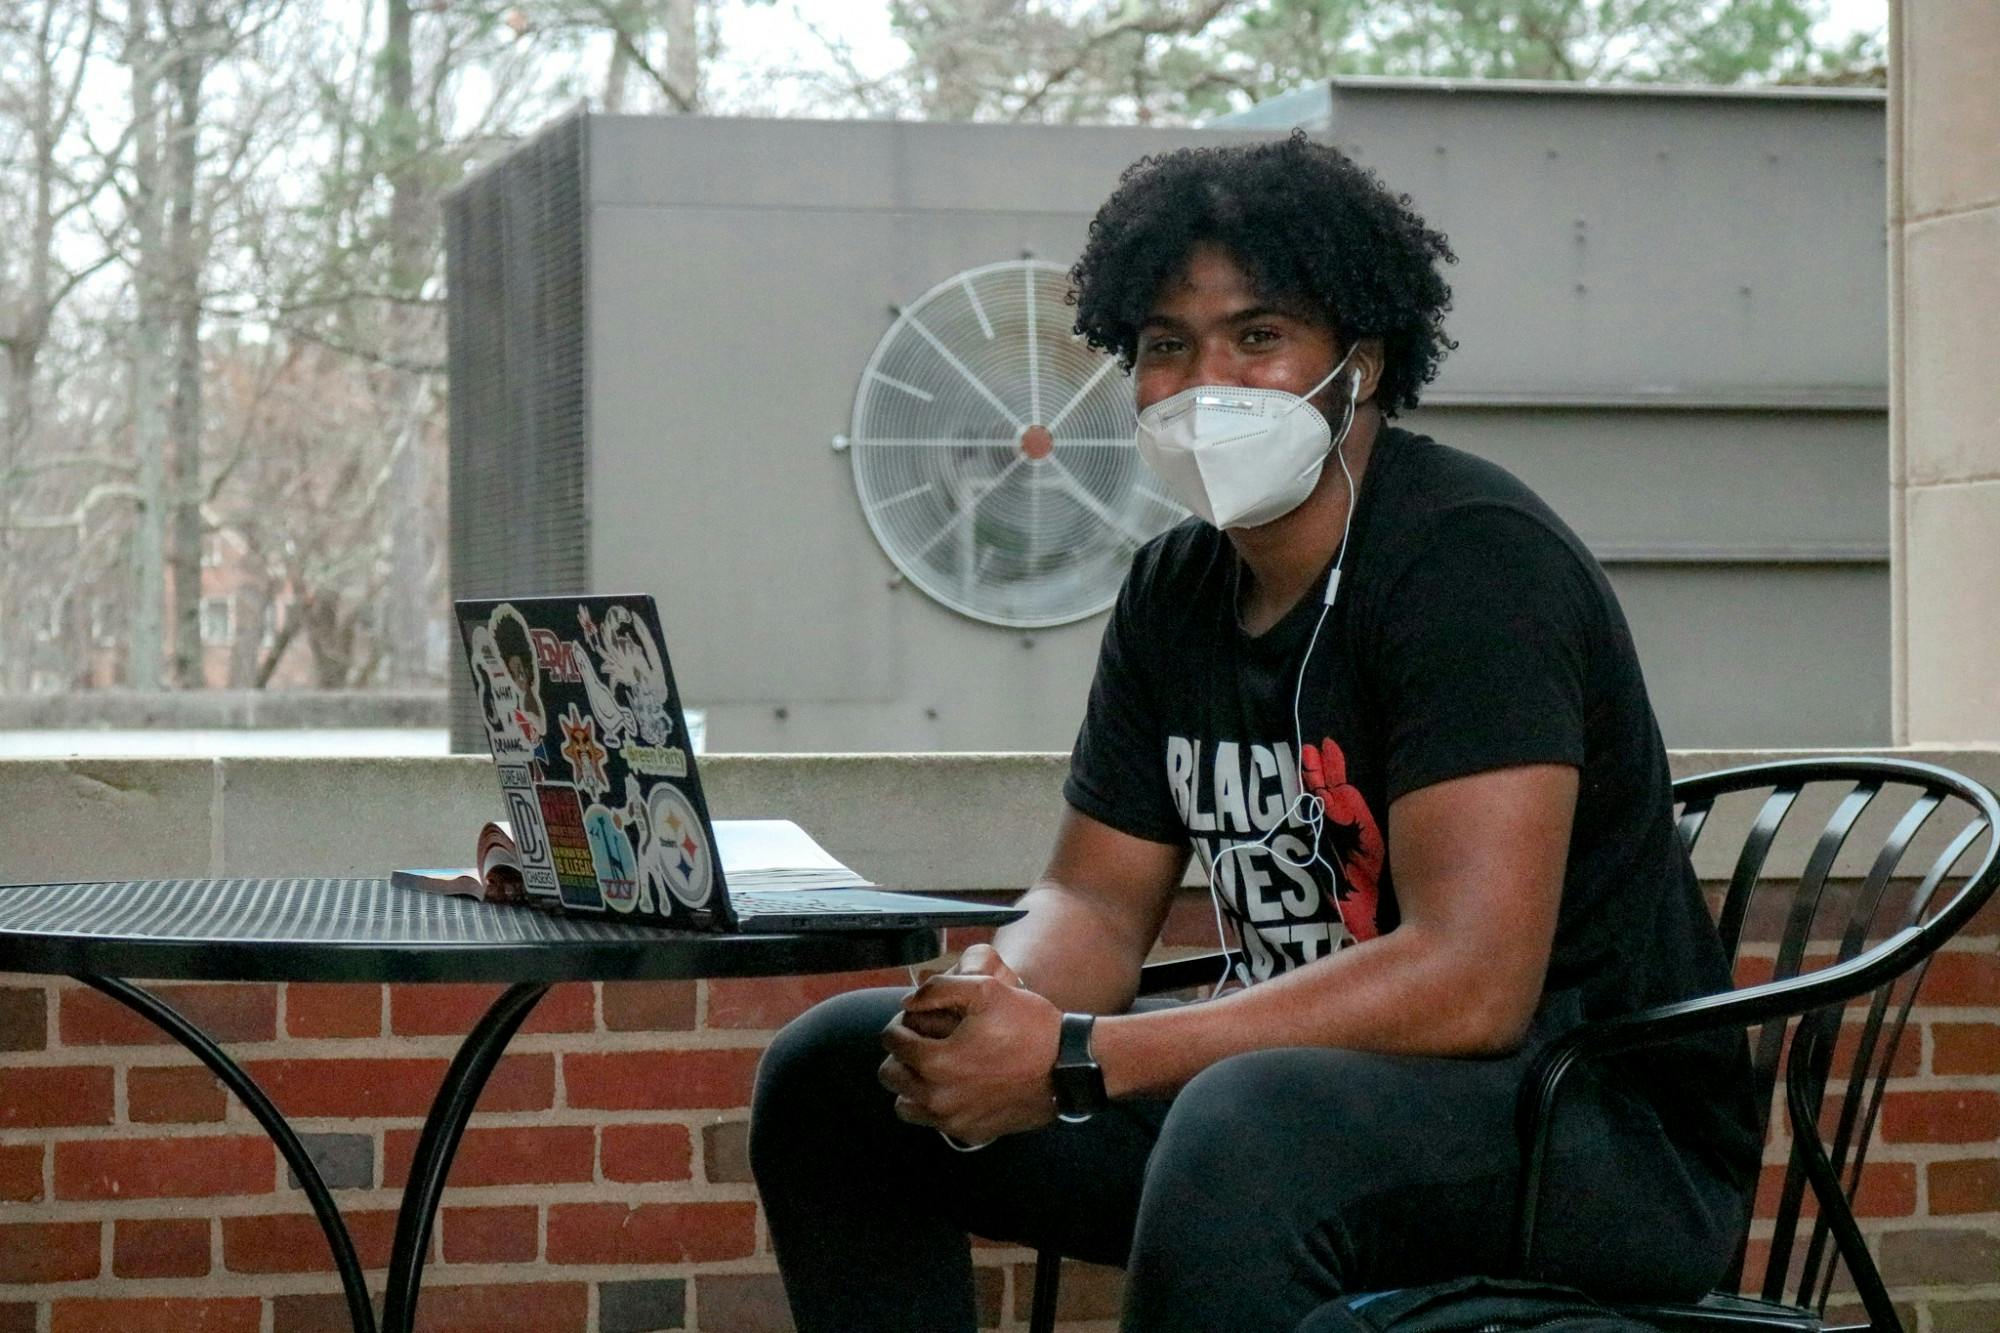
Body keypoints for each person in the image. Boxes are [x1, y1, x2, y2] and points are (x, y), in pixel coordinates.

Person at [749, 133, 1760, 1333]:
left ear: (1362, 363)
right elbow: (1098, 903)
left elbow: (1470, 981)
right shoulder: (1174, 588)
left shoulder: (1471, 562)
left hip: (1581, 1129)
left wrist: (1080, 1058)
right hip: (1295, 1099)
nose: (1204, 381)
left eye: (1257, 337)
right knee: (838, 1073)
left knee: (1245, 1123)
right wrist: (998, 995)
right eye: (1165, 345)